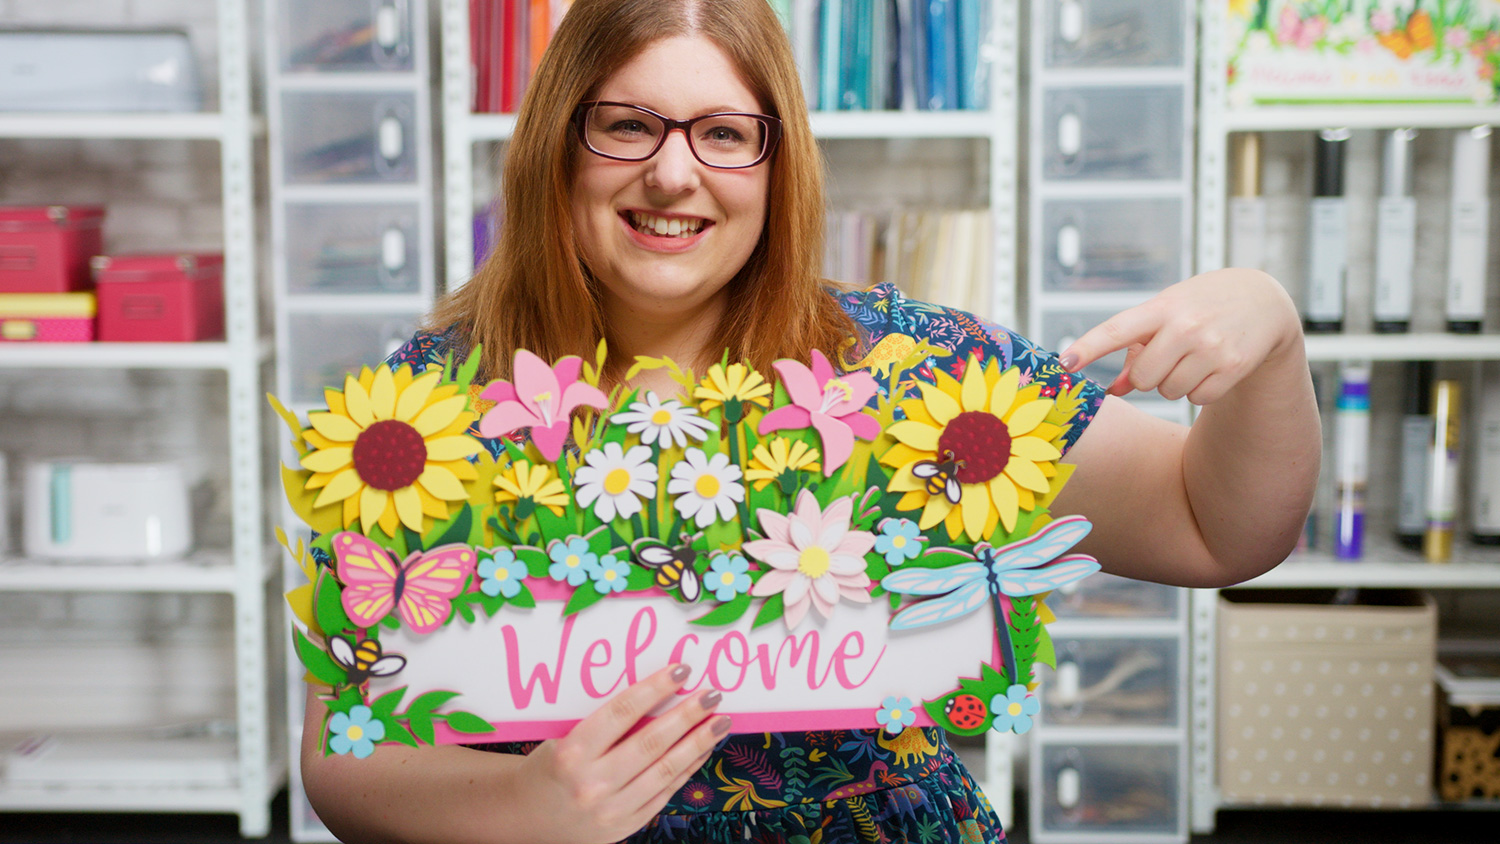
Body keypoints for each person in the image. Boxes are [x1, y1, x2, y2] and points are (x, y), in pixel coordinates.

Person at [300, 1, 1320, 841]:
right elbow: (345, 753)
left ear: (777, 163)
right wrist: (527, 806)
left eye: (725, 134)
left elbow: (1214, 526)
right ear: (557, 144)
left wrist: (1270, 337)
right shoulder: (427, 406)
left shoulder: (907, 371)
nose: (672, 173)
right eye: (626, 124)